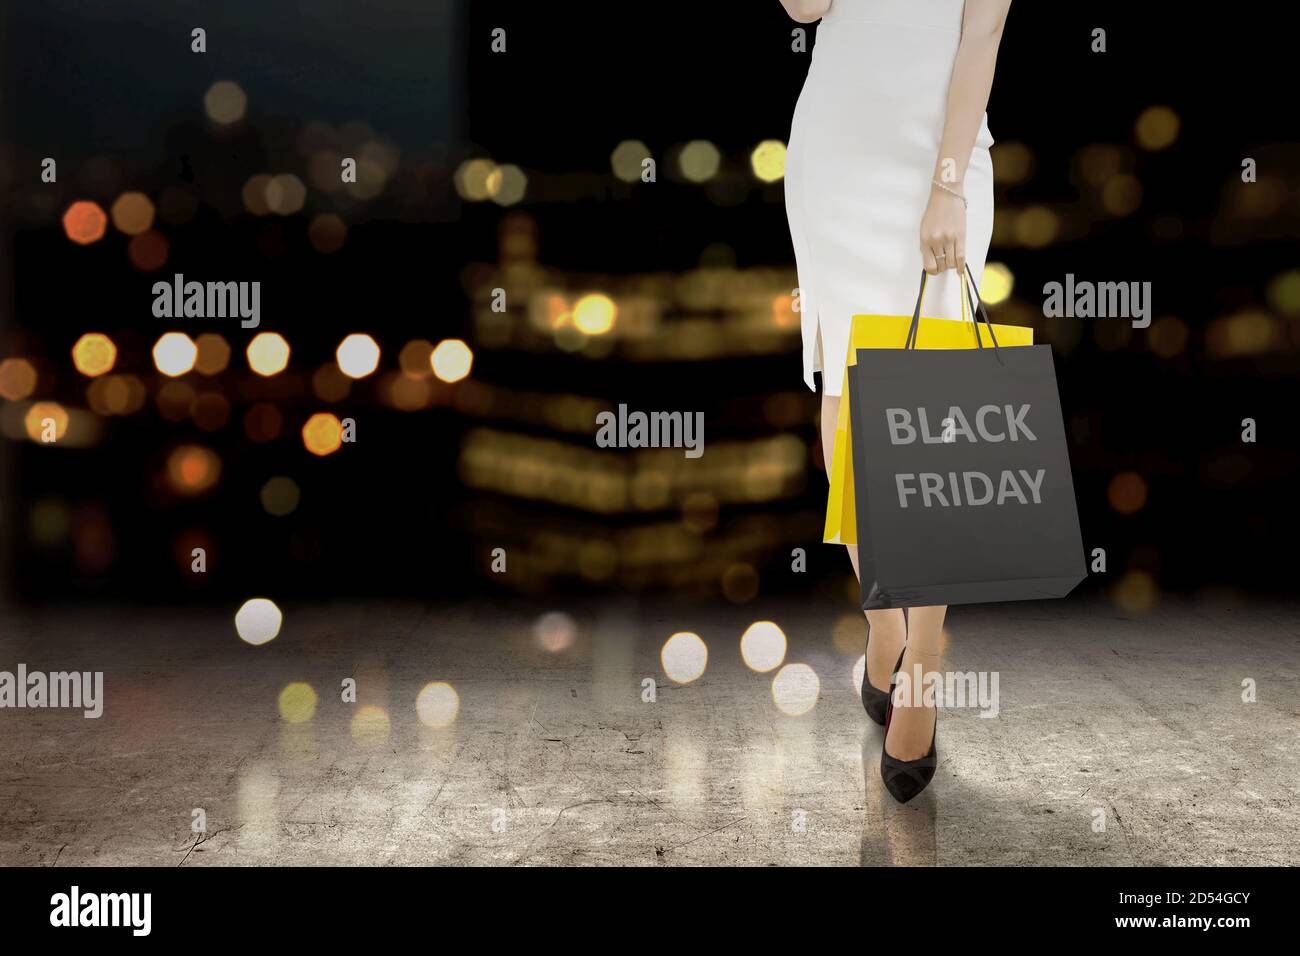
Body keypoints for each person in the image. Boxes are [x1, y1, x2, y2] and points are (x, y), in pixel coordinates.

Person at [781, 0, 1013, 801]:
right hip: (835, 149)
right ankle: (885, 621)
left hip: (937, 158)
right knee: (845, 391)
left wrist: (946, 186)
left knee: (933, 412)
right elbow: (805, 10)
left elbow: (981, 32)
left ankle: (927, 655)